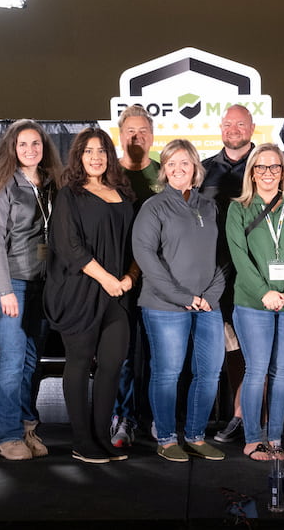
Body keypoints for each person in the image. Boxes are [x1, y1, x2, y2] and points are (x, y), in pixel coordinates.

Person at [44, 127, 138, 464]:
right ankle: (81, 441)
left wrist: (128, 277)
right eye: (88, 151)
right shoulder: (69, 195)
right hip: (80, 292)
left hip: (118, 294)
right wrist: (107, 279)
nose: (95, 157)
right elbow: (70, 246)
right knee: (80, 364)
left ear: (110, 156)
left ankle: (101, 437)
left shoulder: (124, 194)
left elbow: (135, 245)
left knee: (112, 365)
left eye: (101, 150)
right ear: (78, 157)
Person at [132, 139, 227, 462]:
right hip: (165, 306)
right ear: (163, 170)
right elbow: (145, 256)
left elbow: (219, 258)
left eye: (184, 163)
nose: (177, 169)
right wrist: (183, 297)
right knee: (168, 372)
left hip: (207, 306)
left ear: (196, 168)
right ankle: (168, 438)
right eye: (171, 164)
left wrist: (210, 296)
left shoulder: (209, 206)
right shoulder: (154, 207)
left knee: (210, 372)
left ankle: (197, 437)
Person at [0, 119, 62, 461]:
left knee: (31, 361)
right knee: (11, 360)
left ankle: (28, 428)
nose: (30, 150)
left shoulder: (52, 183)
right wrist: (6, 290)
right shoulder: (4, 185)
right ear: (12, 148)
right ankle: (8, 435)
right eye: (23, 144)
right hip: (9, 283)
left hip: (43, 283)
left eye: (36, 144)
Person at [227, 143, 284, 461]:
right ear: (251, 172)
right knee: (257, 369)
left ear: (283, 172)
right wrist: (265, 292)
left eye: (274, 167)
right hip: (252, 300)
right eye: (260, 167)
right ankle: (252, 440)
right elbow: (239, 257)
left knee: (280, 371)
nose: (267, 173)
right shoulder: (239, 209)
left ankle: (275, 440)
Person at [200, 104, 257, 444]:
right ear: (220, 128)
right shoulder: (204, 170)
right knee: (234, 349)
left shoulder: (269, 166)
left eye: (241, 123)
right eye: (228, 124)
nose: (234, 129)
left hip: (260, 277)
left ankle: (254, 421)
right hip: (217, 277)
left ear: (252, 127)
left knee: (260, 350)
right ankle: (239, 415)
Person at [110, 104, 162, 448]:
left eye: (143, 131)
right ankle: (124, 418)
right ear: (120, 135)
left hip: (160, 280)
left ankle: (161, 418)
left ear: (153, 136)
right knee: (123, 354)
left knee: (162, 354)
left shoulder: (166, 173)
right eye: (130, 131)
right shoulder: (108, 175)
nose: (137, 137)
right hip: (120, 281)